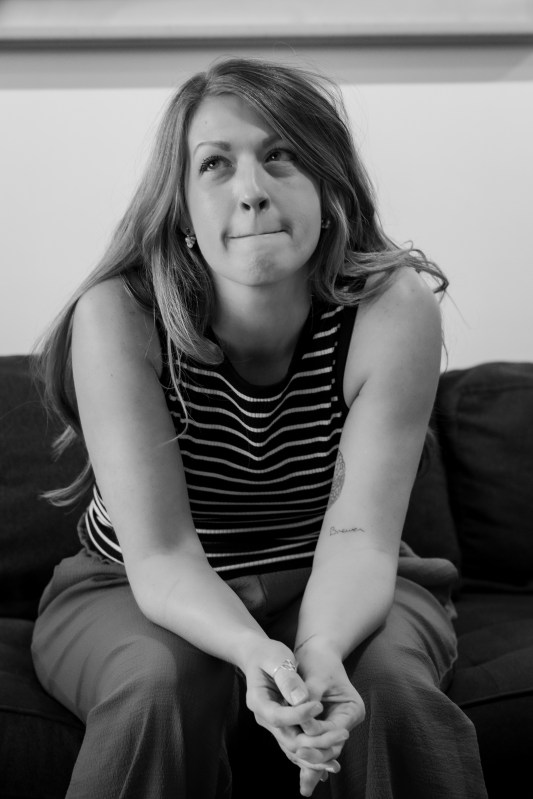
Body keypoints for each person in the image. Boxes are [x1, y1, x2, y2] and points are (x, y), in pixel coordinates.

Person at [31, 57, 488, 799]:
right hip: (135, 584)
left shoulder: (390, 307)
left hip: (339, 576)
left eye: (281, 155)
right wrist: (258, 653)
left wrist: (318, 648)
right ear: (181, 208)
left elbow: (360, 541)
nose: (251, 190)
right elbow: (163, 556)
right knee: (155, 691)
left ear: (329, 187)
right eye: (215, 164)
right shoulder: (119, 314)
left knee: (391, 694)